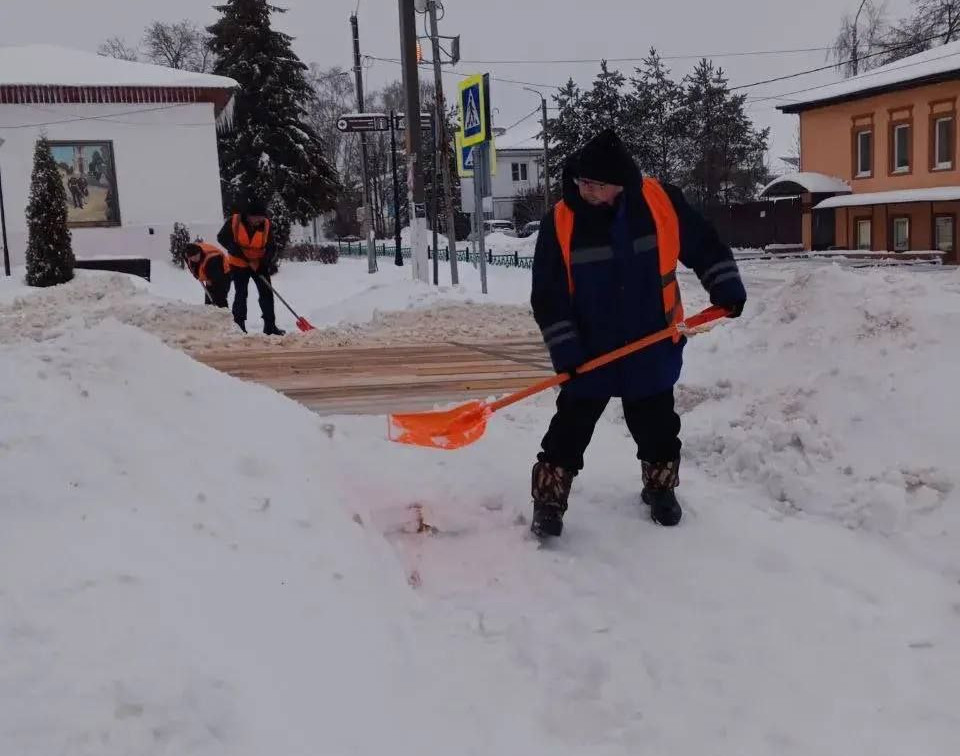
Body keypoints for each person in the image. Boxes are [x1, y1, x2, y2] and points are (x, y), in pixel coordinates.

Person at [529, 129, 747, 538]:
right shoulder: (559, 222)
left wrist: (726, 287)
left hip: (652, 340)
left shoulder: (660, 202)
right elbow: (548, 295)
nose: (587, 190)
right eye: (583, 182)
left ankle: (660, 489)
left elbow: (704, 243)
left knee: (658, 426)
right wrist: (567, 351)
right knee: (569, 430)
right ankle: (549, 500)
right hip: (591, 350)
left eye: (596, 184)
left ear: (619, 185)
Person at [217, 197, 285, 335]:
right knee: (241, 293)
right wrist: (238, 252)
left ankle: (270, 326)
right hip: (239, 263)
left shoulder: (265, 224)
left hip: (259, 263)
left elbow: (271, 246)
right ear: (248, 216)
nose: (259, 220)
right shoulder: (234, 221)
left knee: (266, 293)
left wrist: (263, 263)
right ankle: (239, 326)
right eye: (256, 217)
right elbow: (222, 238)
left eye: (261, 217)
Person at [184, 241, 231, 308]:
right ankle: (209, 312)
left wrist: (209, 280)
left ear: (199, 252)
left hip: (223, 274)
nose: (194, 259)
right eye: (191, 258)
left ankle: (224, 315)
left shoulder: (212, 260)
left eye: (196, 256)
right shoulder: (188, 254)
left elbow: (216, 279)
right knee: (209, 301)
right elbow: (187, 259)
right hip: (210, 273)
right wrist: (195, 273)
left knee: (219, 298)